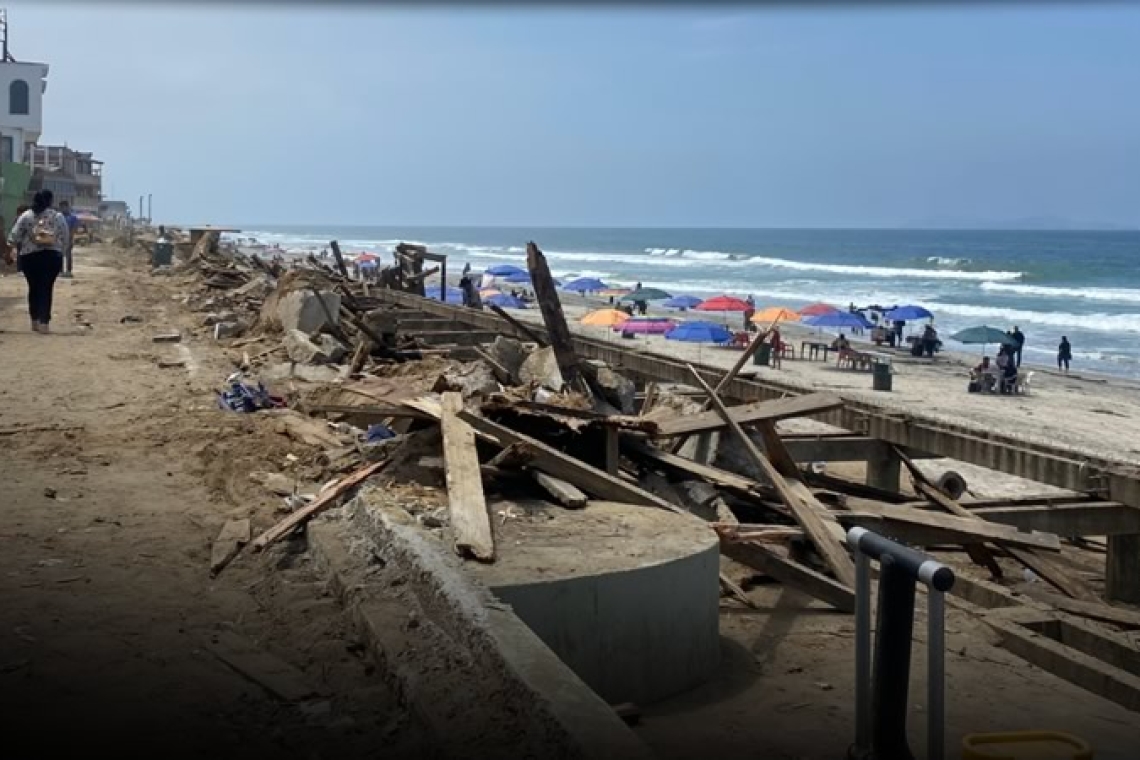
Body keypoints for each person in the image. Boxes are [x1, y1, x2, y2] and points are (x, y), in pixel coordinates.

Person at [7, 190, 69, 333]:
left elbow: (14, 236)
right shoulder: (57, 216)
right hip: (52, 257)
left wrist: (12, 249)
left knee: (33, 288)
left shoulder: (26, 216)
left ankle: (34, 320)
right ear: (50, 201)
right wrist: (62, 252)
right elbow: (65, 237)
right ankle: (44, 322)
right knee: (46, 288)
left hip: (30, 258)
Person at [57, 200, 79, 278]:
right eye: (61, 207)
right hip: (59, 240)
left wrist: (70, 238)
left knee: (68, 255)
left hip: (68, 239)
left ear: (67, 207)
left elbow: (74, 229)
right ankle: (60, 271)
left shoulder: (72, 217)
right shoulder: (57, 217)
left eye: (64, 207)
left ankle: (69, 271)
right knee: (59, 256)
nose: (62, 209)